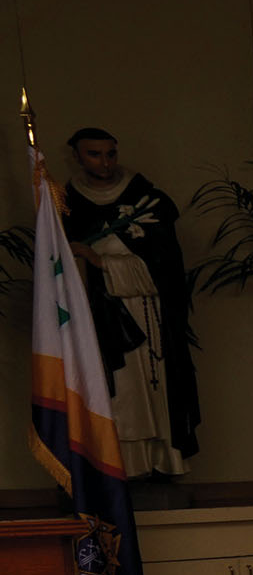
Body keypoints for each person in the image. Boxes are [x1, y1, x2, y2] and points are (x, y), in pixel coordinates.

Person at [64, 129, 196, 477]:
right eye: (94, 154)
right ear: (77, 157)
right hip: (96, 312)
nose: (105, 162)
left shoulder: (147, 200)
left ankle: (159, 461)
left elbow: (166, 267)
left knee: (152, 388)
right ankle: (116, 465)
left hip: (146, 311)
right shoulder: (65, 204)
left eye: (111, 153)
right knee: (115, 391)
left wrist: (101, 262)